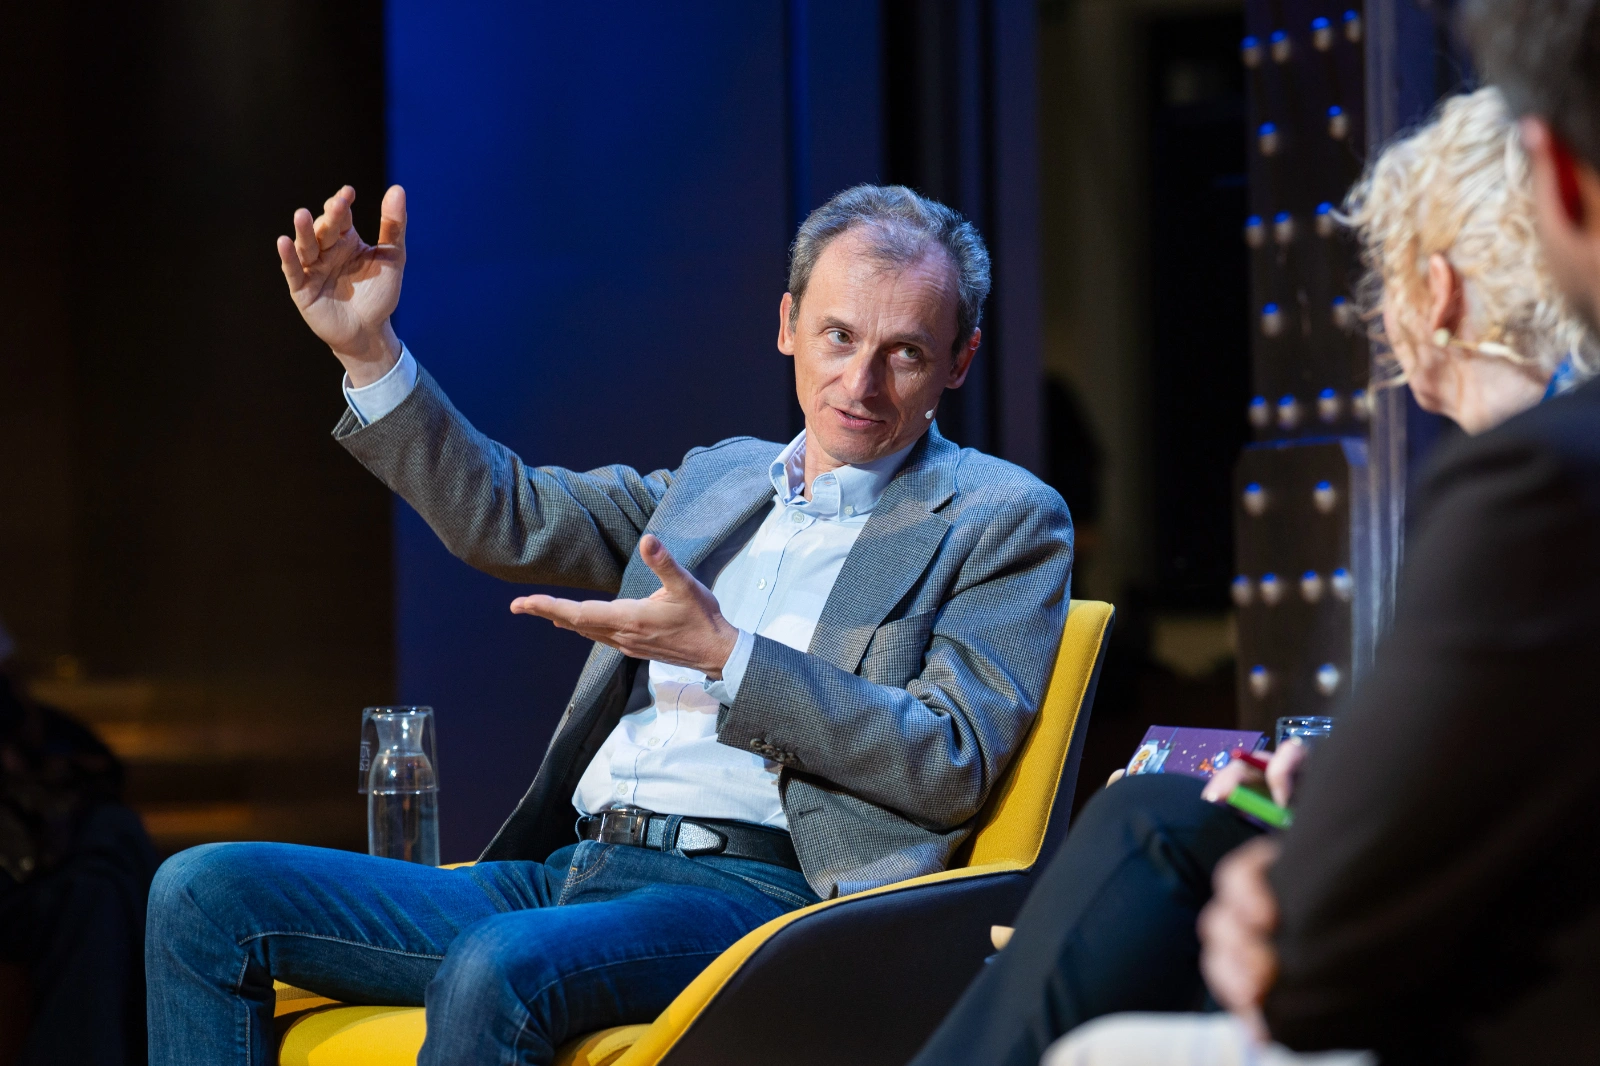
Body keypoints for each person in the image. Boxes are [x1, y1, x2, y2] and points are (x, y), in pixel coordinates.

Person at [143, 183, 1073, 1066]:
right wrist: (369, 354)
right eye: (837, 335)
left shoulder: (1000, 518)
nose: (860, 381)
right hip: (574, 868)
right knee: (199, 897)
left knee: (497, 966)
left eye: (905, 351)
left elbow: (947, 760)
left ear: (960, 359)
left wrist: (731, 659)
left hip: (762, 897)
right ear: (788, 326)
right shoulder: (719, 480)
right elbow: (508, 514)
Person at [908, 84, 1598, 1066]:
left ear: (1434, 292)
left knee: (1134, 909)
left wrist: (1300, 890)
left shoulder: (1533, 487)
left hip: (1506, 982)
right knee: (1163, 824)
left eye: (1383, 281)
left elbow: (1324, 950)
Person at [0, 616, 158, 1066]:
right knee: (98, 893)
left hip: (37, 862)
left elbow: (97, 765)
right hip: (24, 882)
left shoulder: (31, 723)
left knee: (115, 844)